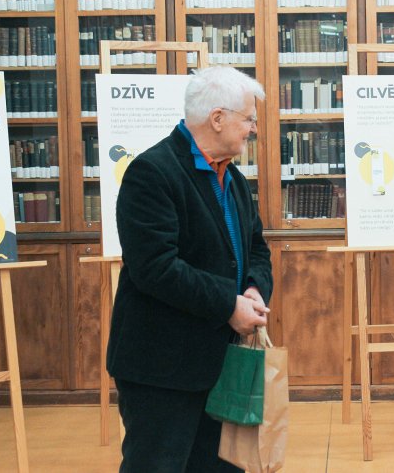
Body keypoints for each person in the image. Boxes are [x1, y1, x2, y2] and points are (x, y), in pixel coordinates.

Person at [106, 66, 274, 472]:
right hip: (163, 366)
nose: (253, 129)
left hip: (223, 362)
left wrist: (254, 289)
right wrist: (226, 306)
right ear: (217, 119)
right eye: (249, 119)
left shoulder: (233, 178)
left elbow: (255, 248)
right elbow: (155, 268)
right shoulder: (152, 172)